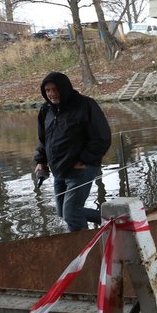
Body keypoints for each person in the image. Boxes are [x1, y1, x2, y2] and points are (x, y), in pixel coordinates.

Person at [33, 72, 112, 232]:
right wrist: (41, 161)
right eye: (47, 90)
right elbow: (44, 139)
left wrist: (83, 160)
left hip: (80, 169)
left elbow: (102, 137)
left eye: (55, 89)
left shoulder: (85, 105)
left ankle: (84, 250)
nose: (51, 94)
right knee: (63, 212)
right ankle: (115, 222)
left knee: (71, 213)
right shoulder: (46, 110)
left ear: (64, 88)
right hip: (58, 170)